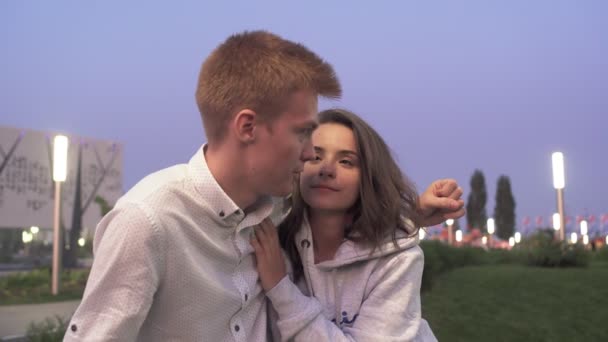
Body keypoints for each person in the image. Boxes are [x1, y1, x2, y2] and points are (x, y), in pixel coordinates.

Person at [65, 31, 462, 341]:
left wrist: (410, 216)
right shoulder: (149, 221)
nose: (313, 159)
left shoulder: (272, 212)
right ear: (248, 127)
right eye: (304, 135)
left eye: (344, 160)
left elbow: (355, 222)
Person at [251, 108, 464, 341]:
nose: (326, 169)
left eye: (345, 161)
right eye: (315, 156)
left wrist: (281, 290)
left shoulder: (399, 259)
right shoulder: (274, 240)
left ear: (369, 178)